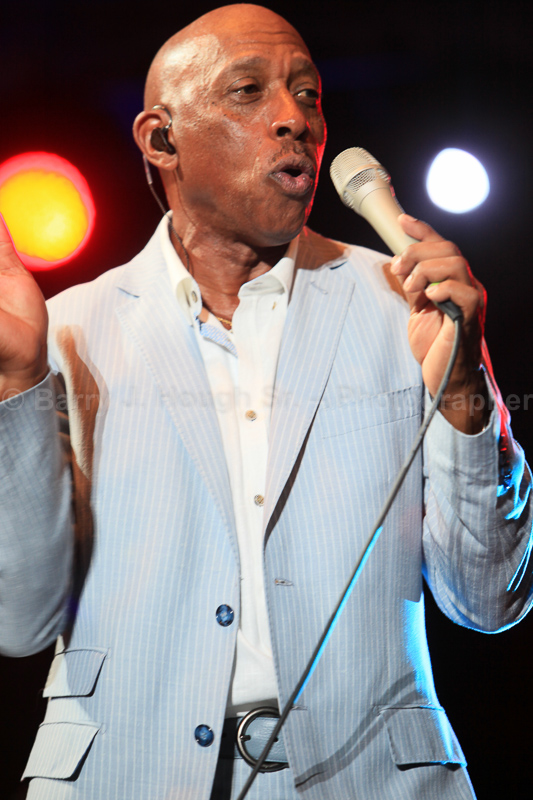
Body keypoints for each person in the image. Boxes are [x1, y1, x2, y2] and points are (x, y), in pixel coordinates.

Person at [0, 4, 531, 799]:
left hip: (372, 779)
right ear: (160, 139)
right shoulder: (69, 330)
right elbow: (18, 620)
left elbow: (490, 601)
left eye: (308, 94)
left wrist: (463, 395)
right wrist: (16, 384)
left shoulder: (406, 308)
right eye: (249, 91)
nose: (295, 119)